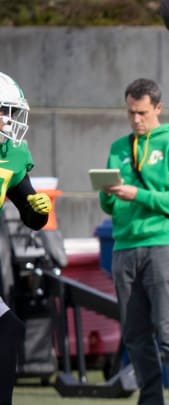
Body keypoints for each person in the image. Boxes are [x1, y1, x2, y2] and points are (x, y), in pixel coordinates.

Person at [99, 78, 169, 405]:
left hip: (162, 247)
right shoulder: (118, 148)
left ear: (158, 108)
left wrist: (135, 193)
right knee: (135, 336)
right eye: (130, 113)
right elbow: (110, 206)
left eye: (142, 113)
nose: (136, 120)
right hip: (123, 248)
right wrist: (109, 195)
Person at [0, 71, 52, 404]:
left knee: (8, 329)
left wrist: (39, 209)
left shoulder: (13, 154)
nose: (8, 120)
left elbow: (30, 215)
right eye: (1, 111)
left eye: (10, 112)